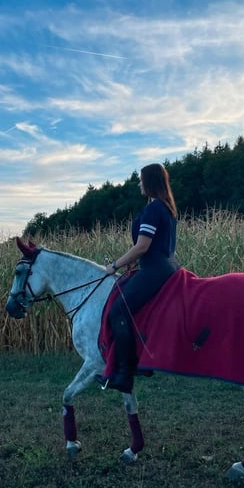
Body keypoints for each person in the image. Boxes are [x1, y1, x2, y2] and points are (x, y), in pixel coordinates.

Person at [98, 163, 181, 392]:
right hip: (167, 266)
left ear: (150, 181)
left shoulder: (153, 209)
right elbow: (153, 246)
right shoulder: (166, 208)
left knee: (117, 311)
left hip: (155, 269)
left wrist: (114, 266)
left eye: (141, 179)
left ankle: (125, 373)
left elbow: (142, 246)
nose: (138, 183)